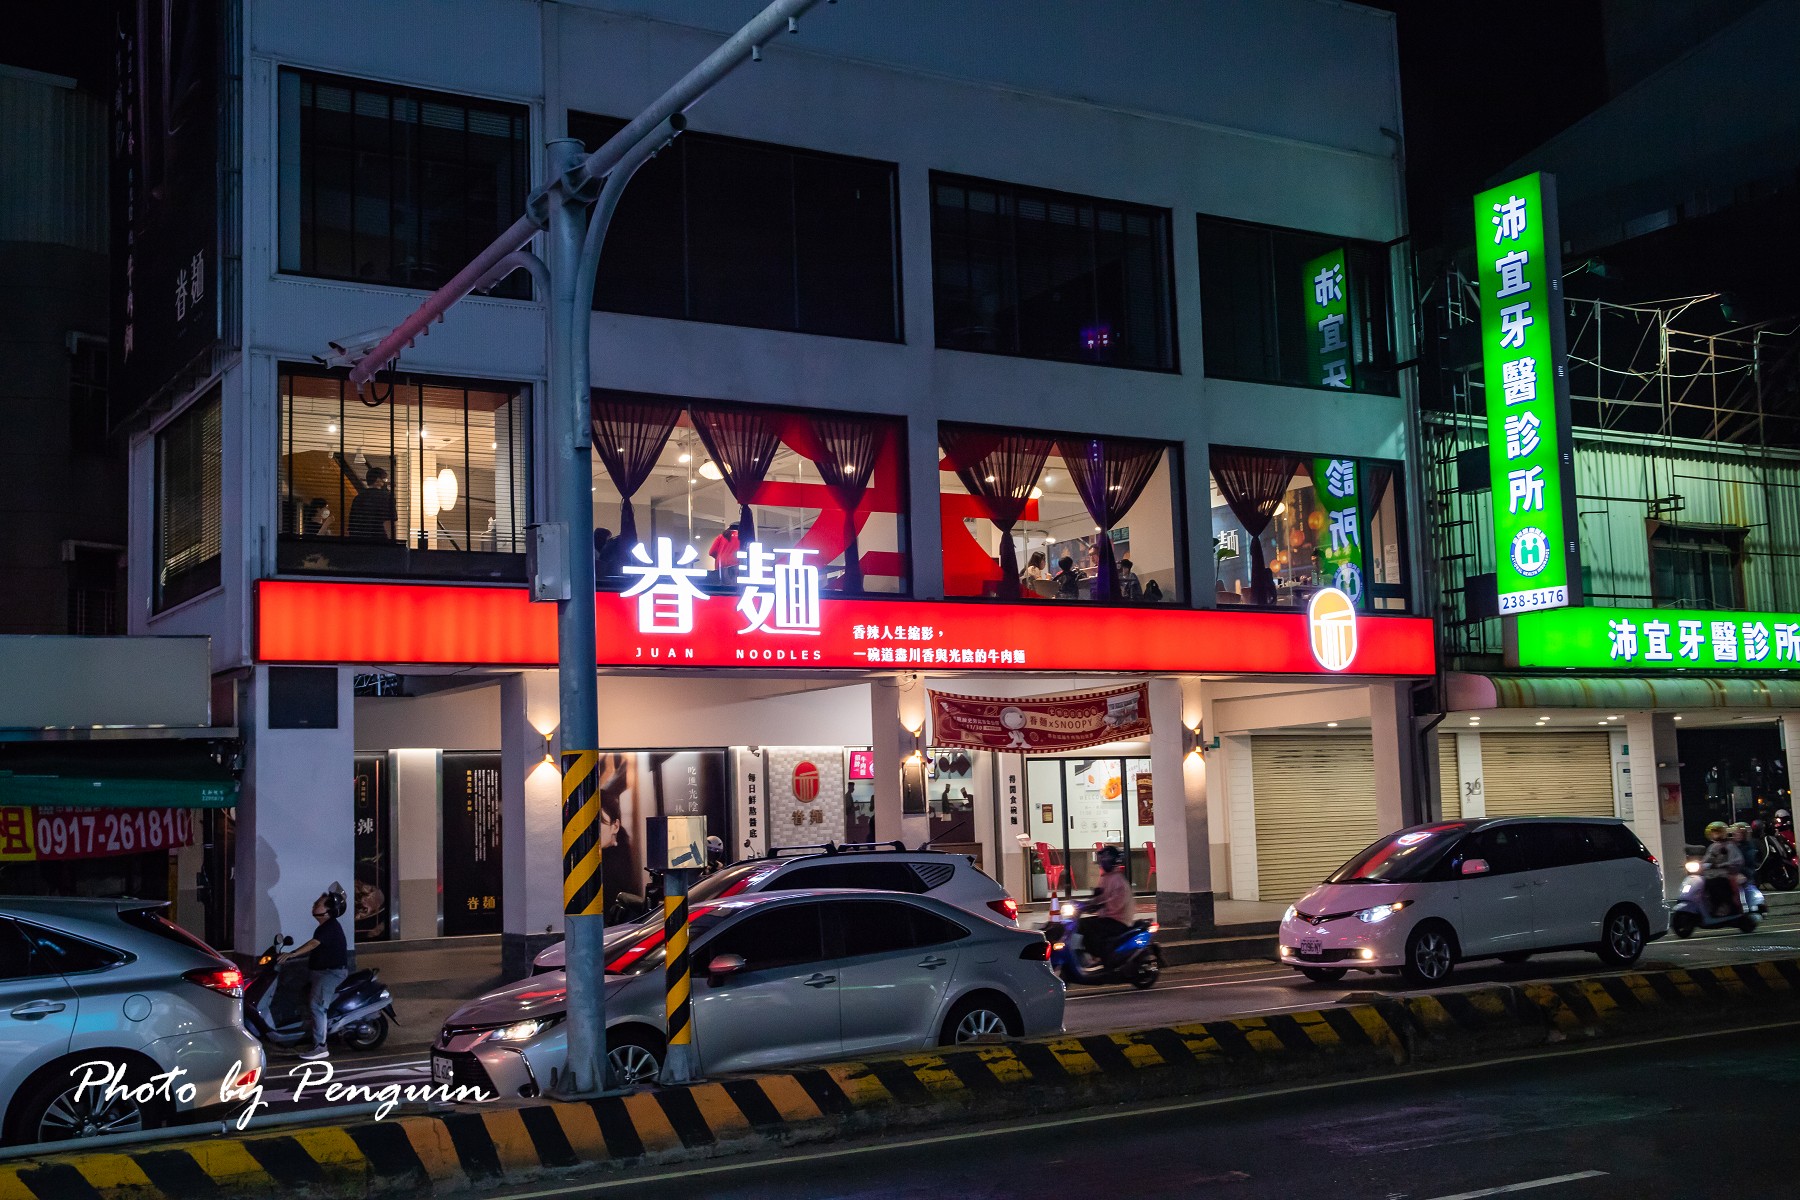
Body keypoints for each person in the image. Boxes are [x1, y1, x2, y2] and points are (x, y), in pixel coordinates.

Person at [278, 885, 350, 1060]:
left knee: (317, 1007)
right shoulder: (325, 926)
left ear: (327, 911)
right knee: (311, 1002)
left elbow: (313, 944)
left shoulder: (329, 927)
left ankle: (320, 1047)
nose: (314, 905)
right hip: (321, 972)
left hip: (330, 973)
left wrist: (292, 954)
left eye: (318, 903)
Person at [1077, 846, 1134, 963]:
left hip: (1118, 920)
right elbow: (1099, 896)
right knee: (1080, 924)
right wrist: (1085, 903)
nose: (1103, 861)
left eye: (1106, 859)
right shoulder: (1105, 878)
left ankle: (1097, 957)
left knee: (1085, 925)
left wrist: (1099, 905)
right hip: (1107, 917)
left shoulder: (1119, 880)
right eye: (1102, 859)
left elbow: (1115, 903)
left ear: (1113, 861)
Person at [1700, 821, 1744, 917]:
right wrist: (1701, 864)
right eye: (1714, 832)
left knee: (1716, 886)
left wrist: (1723, 864)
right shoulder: (1712, 846)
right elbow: (1706, 859)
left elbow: (1738, 860)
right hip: (1711, 875)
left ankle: (1725, 907)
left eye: (1718, 832)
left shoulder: (1730, 846)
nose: (1716, 834)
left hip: (1725, 875)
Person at [347, 467, 396, 540]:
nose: (386, 482)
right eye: (385, 479)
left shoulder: (358, 498)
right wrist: (392, 542)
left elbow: (352, 523)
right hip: (379, 542)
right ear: (378, 480)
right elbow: (388, 522)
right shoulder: (387, 497)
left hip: (358, 541)